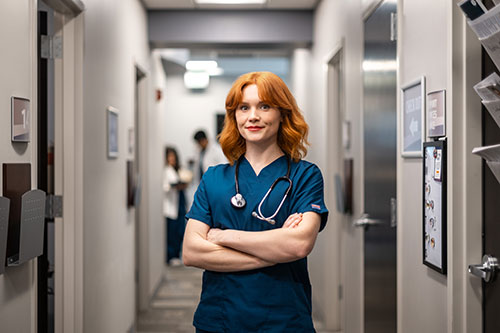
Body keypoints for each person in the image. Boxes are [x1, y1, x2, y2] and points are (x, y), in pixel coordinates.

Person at [183, 71, 329, 332]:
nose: (253, 116)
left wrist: (222, 236)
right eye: (244, 107)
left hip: (284, 320)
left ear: (282, 114)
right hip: (220, 319)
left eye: (265, 106)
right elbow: (192, 252)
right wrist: (273, 252)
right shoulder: (214, 178)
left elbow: (298, 245)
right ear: (234, 116)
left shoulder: (305, 175)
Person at [163, 146, 192, 266]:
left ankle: (176, 254)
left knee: (180, 230)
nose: (172, 158)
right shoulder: (165, 170)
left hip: (179, 203)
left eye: (173, 156)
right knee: (172, 232)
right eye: (169, 156)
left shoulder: (177, 170)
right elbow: (165, 187)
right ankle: (171, 255)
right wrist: (175, 186)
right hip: (170, 205)